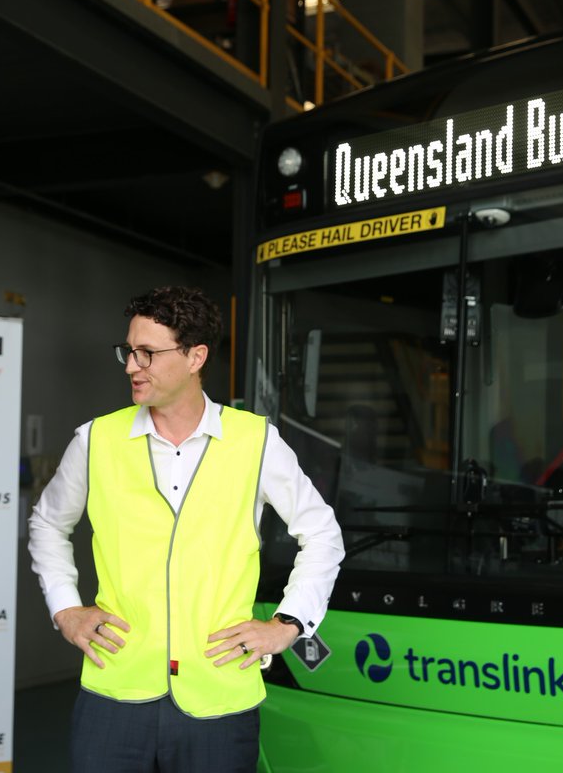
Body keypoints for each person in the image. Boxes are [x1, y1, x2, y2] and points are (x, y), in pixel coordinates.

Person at [28, 285, 345, 772]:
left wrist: (289, 625)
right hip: (115, 691)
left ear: (196, 356)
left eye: (147, 354)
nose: (132, 366)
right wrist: (66, 609)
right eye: (128, 352)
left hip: (219, 696)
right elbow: (49, 523)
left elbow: (322, 533)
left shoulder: (255, 440)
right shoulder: (96, 440)